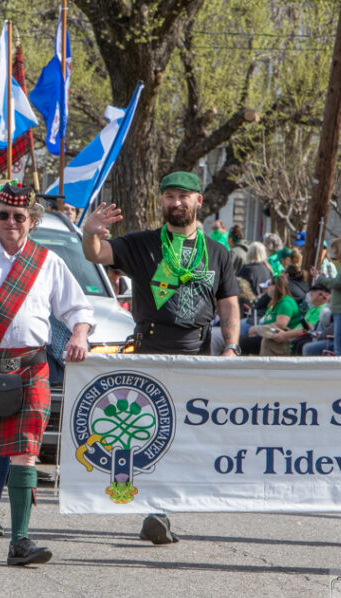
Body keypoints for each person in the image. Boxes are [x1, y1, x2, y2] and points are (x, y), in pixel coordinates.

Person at [82, 171, 240, 544]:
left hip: (196, 352)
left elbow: (229, 306)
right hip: (150, 349)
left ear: (199, 200)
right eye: (169, 196)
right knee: (147, 430)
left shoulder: (217, 253)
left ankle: (162, 508)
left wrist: (231, 346)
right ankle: (154, 509)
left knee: (184, 434)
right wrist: (90, 231)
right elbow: (96, 253)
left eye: (183, 196)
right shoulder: (143, 244)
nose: (176, 203)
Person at [0, 182, 94, 565]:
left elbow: (78, 309)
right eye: (3, 215)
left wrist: (79, 335)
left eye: (19, 216)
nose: (10, 222)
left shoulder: (48, 262)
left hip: (31, 368)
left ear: (32, 220)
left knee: (26, 453)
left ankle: (20, 541)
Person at [250, 275, 302, 356]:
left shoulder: (286, 303)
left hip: (278, 338)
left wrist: (258, 329)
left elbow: (281, 324)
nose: (268, 288)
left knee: (242, 342)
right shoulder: (276, 302)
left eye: (269, 285)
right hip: (266, 333)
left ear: (276, 287)